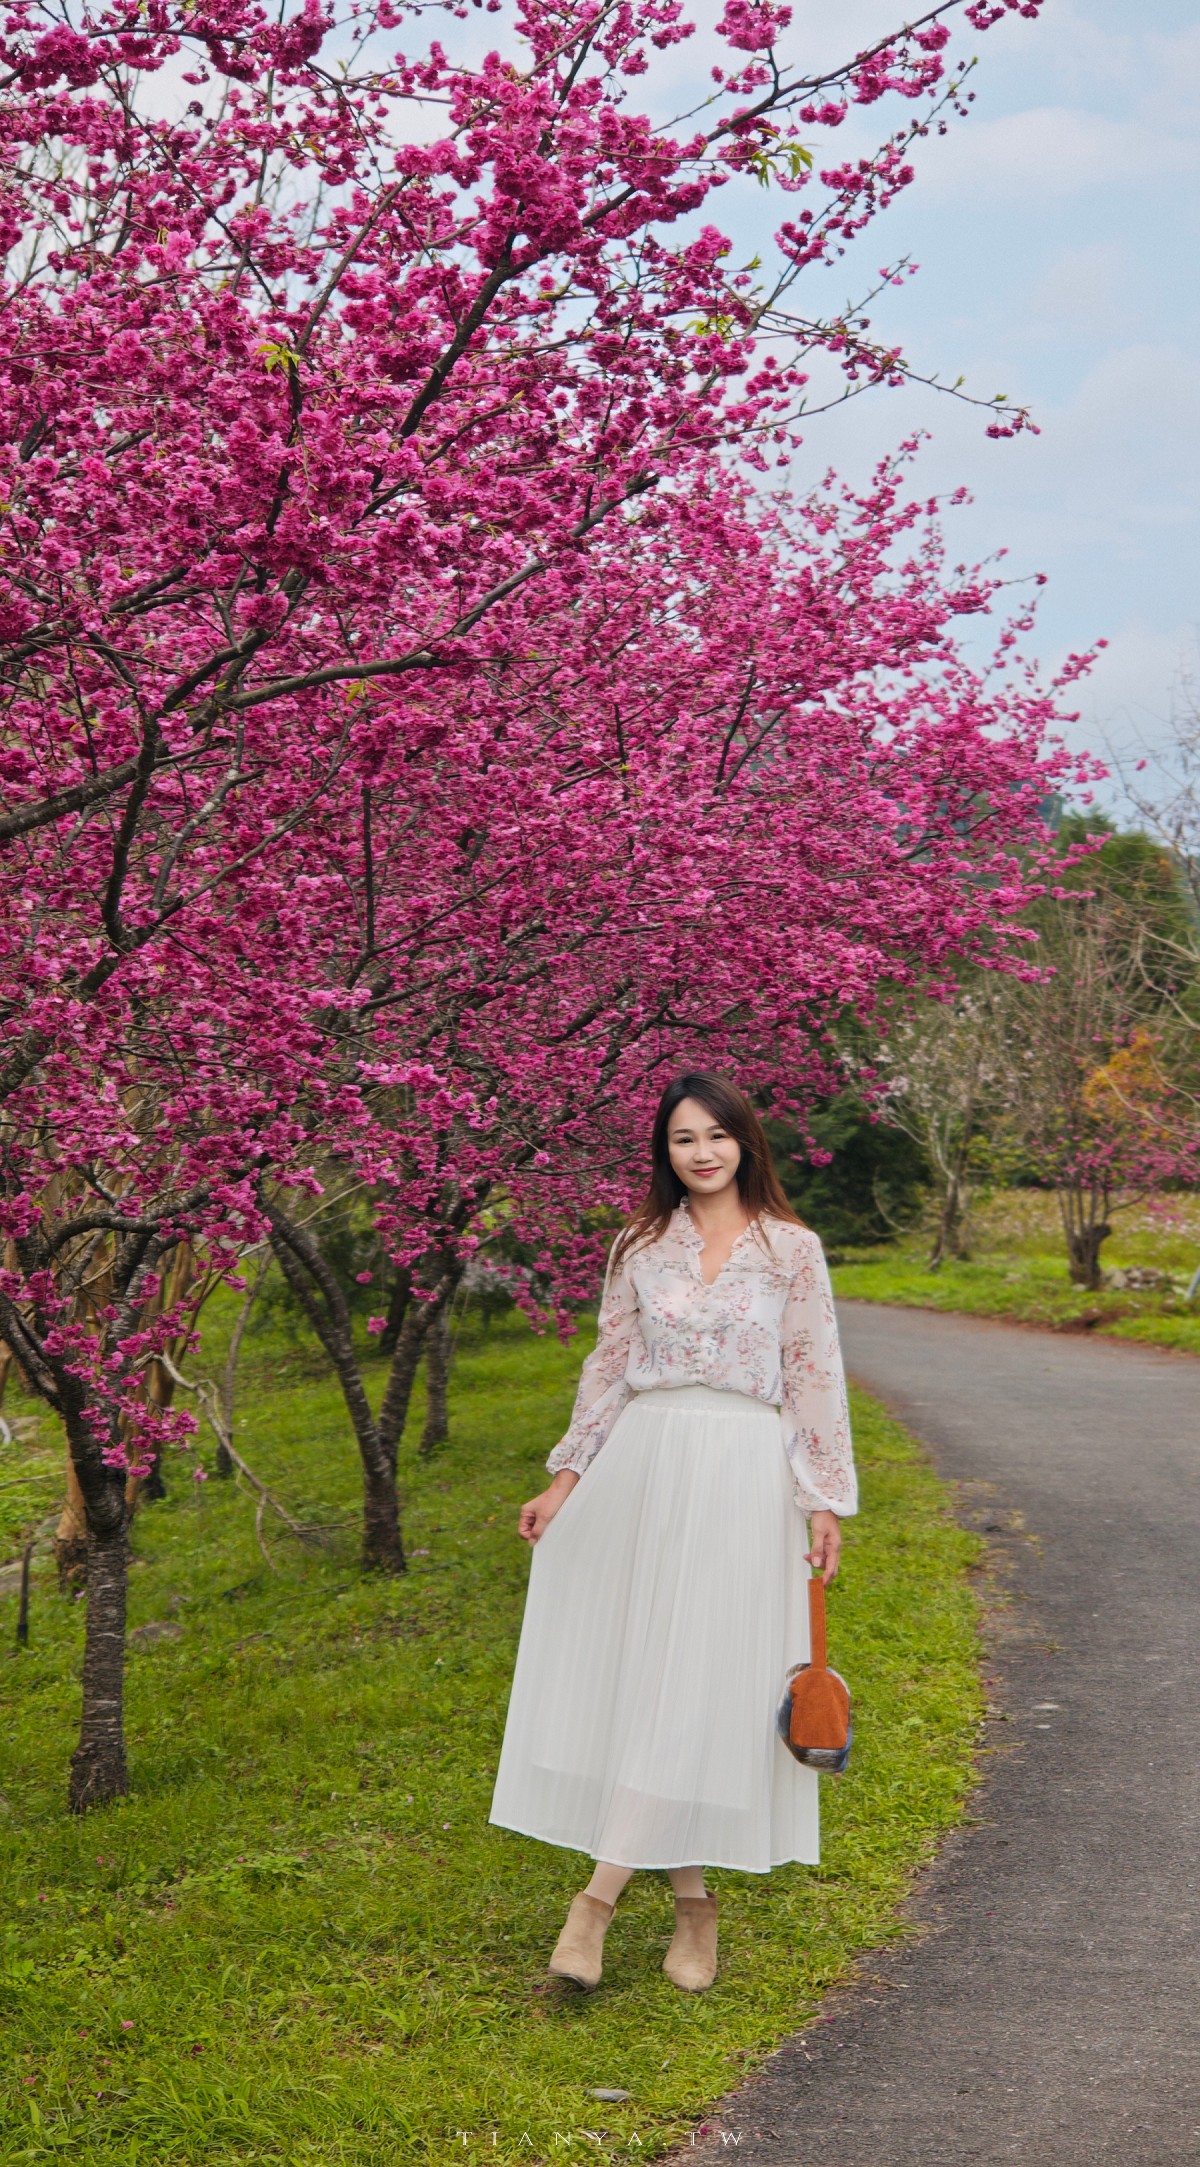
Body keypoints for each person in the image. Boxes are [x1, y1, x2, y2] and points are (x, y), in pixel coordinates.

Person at [487, 1070, 857, 1993]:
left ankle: (595, 1905)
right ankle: (693, 1901)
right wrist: (566, 1478)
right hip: (644, 1464)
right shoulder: (641, 1246)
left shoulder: (791, 1250)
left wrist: (823, 1499)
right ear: (666, 1151)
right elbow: (609, 1366)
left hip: (741, 1467)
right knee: (652, 1675)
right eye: (683, 1138)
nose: (702, 1152)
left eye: (717, 1135)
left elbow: (814, 1374)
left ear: (745, 1143)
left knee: (701, 1675)